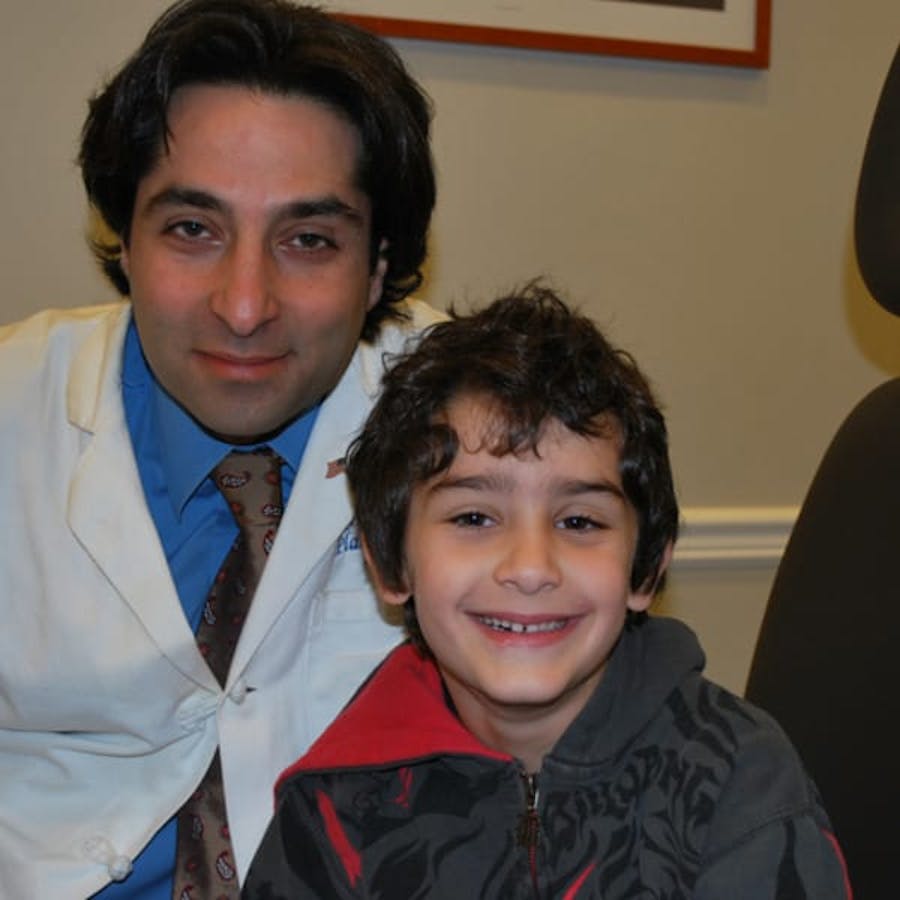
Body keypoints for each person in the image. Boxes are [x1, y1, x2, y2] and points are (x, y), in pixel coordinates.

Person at [0, 1, 440, 897]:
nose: (245, 307)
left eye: (309, 240)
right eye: (192, 230)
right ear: (122, 239)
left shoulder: (474, 426)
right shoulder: (14, 407)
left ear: (381, 266)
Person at [242, 285, 852, 899]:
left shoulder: (736, 782)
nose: (531, 568)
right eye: (474, 518)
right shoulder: (337, 802)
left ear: (646, 570)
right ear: (390, 566)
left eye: (579, 522)